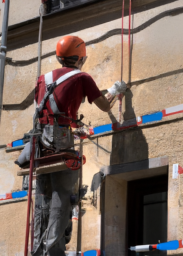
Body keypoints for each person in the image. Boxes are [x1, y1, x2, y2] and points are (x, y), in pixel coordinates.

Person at [16, 35, 126, 256]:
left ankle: (38, 249)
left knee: (42, 197)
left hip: (39, 141)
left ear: (59, 57)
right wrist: (115, 90)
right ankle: (54, 250)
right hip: (61, 137)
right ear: (80, 57)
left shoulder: (42, 79)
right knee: (62, 195)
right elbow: (104, 106)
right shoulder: (82, 77)